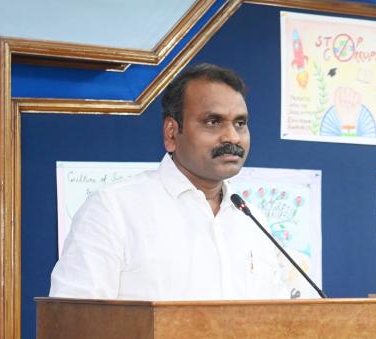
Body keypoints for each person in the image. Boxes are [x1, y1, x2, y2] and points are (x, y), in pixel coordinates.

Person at [50, 63, 291, 300]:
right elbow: (72, 325)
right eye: (213, 122)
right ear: (171, 133)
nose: (232, 136)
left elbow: (279, 322)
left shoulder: (253, 220)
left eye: (240, 123)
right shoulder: (113, 209)